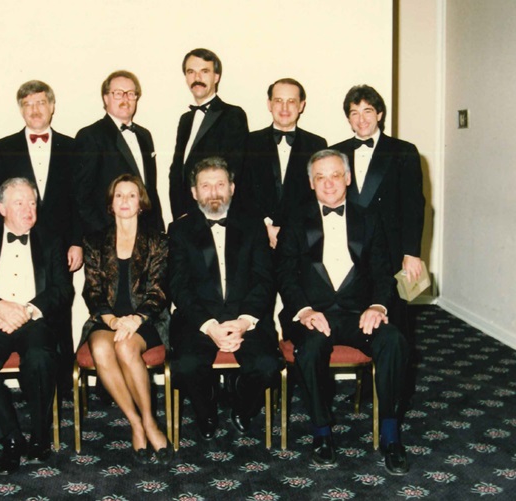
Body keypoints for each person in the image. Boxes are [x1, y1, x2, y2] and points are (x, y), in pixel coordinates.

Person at [276, 149, 409, 475]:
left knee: (393, 340)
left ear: (348, 178)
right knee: (309, 349)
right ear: (311, 183)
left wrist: (378, 305)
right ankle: (321, 434)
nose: (329, 183)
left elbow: (382, 272)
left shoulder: (369, 217)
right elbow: (284, 272)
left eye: (336, 175)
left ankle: (391, 435)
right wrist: (304, 310)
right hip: (314, 314)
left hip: (357, 313)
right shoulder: (296, 219)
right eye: (320, 177)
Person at [0, 178, 74, 475]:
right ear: (2, 208)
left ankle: (40, 435)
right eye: (19, 203)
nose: (28, 209)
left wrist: (27, 309)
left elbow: (63, 289)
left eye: (32, 203)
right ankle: (11, 438)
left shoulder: (50, 239)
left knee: (39, 358)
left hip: (33, 319)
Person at [169, 157, 280, 440]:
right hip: (200, 320)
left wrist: (243, 323)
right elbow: (179, 286)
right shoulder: (179, 230)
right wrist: (210, 326)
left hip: (247, 317)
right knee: (185, 366)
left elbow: (264, 279)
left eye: (220, 184)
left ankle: (243, 407)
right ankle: (206, 411)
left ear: (232, 187)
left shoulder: (254, 225)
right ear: (194, 193)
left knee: (268, 365)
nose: (214, 192)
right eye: (206, 186)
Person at [0, 80, 82, 392]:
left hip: (58, 246)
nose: (35, 110)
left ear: (52, 106)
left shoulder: (72, 146)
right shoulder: (2, 147)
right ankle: (28, 379)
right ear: (21, 110)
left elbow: (78, 201)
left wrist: (76, 241)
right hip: (19, 240)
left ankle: (62, 385)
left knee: (58, 311)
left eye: (41, 103)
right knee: (19, 307)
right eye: (28, 104)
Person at [80, 174, 172, 465]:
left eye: (131, 195)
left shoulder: (158, 240)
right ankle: (135, 422)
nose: (124, 201)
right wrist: (111, 320)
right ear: (110, 203)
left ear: (141, 203)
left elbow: (159, 290)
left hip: (147, 319)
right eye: (119, 195)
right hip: (107, 319)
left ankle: (149, 422)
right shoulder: (95, 241)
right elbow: (92, 291)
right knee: (103, 348)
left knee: (125, 347)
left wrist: (135, 319)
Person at [330, 85, 425, 332]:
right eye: (354, 113)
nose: (361, 119)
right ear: (348, 119)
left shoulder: (403, 151)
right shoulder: (335, 152)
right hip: (349, 246)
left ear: (380, 114)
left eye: (368, 111)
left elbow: (414, 205)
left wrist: (411, 252)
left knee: (394, 321)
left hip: (391, 249)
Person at [239, 78, 327, 248]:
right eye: (278, 101)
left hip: (299, 240)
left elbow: (316, 196)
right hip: (257, 237)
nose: (284, 108)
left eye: (291, 101)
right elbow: (243, 191)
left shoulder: (317, 144)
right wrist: (266, 226)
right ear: (269, 104)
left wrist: (289, 231)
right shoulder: (249, 142)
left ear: (301, 105)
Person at [75, 71, 164, 235]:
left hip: (147, 235)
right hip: (110, 236)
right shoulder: (91, 136)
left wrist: (159, 231)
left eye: (131, 94)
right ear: (105, 98)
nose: (125, 99)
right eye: (118, 94)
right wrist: (107, 234)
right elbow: (82, 196)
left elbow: (150, 190)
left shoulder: (145, 135)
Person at [168, 48, 248, 220]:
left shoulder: (233, 115)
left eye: (204, 71)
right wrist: (179, 214)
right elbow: (177, 171)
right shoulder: (185, 120)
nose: (197, 78)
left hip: (215, 216)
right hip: (185, 219)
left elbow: (233, 170)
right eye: (191, 72)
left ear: (216, 77)